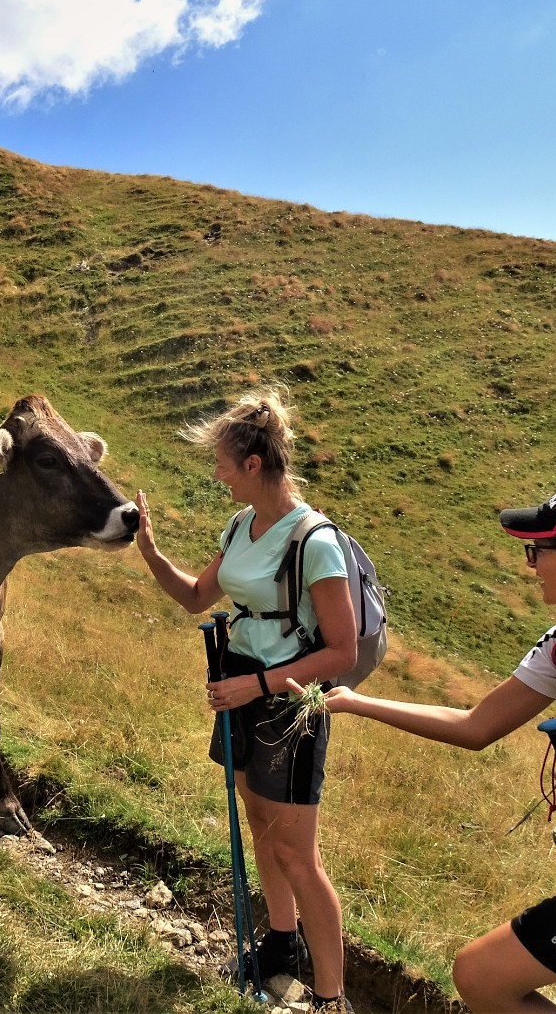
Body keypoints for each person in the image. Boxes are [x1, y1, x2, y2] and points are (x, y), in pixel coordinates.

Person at [310, 482, 556, 1013]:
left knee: (481, 975)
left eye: (538, 550)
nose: (529, 563)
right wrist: (357, 702)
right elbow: (474, 726)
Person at [135, 387, 357, 1013]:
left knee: (297, 851)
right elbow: (196, 597)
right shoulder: (240, 526)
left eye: (223, 464)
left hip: (288, 701)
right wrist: (151, 551)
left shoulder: (314, 542)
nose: (217, 474)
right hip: (238, 680)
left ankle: (331, 996)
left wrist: (255, 686)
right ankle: (282, 944)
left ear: (254, 465)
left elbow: (341, 653)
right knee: (260, 824)